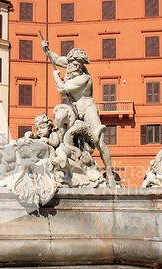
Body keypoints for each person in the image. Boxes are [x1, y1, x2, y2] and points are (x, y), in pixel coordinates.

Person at [41, 40, 116, 187]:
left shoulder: (84, 77)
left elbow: (62, 89)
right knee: (63, 126)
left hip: (88, 109)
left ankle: (110, 175)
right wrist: (46, 49)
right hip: (74, 110)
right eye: (73, 64)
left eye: (78, 65)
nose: (74, 67)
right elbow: (55, 59)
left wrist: (55, 75)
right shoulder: (69, 65)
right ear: (69, 62)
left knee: (100, 143)